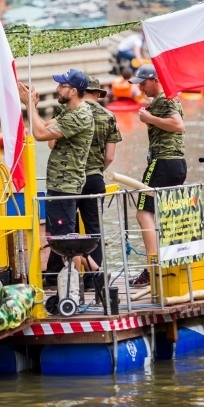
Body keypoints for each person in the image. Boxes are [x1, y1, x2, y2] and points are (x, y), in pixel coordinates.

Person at [17, 69, 94, 286]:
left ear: (74, 90)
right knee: (63, 238)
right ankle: (97, 275)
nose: (57, 89)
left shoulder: (80, 115)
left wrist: (30, 105)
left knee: (66, 243)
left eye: (62, 86)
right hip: (60, 185)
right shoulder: (69, 112)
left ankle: (73, 290)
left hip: (65, 186)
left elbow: (40, 135)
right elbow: (44, 127)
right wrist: (31, 105)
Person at [128, 64, 187, 287]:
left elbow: (179, 125)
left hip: (163, 162)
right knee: (166, 214)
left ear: (155, 80)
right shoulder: (165, 100)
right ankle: (170, 262)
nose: (141, 88)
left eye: (143, 83)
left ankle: (153, 267)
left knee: (143, 213)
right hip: (176, 164)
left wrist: (150, 119)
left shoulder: (165, 100)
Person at [76, 77, 122, 287]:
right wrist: (96, 170)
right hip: (95, 179)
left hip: (71, 179)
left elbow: (51, 145)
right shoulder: (109, 116)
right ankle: (95, 281)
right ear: (97, 94)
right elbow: (110, 156)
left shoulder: (71, 111)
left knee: (68, 229)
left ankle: (72, 279)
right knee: (95, 229)